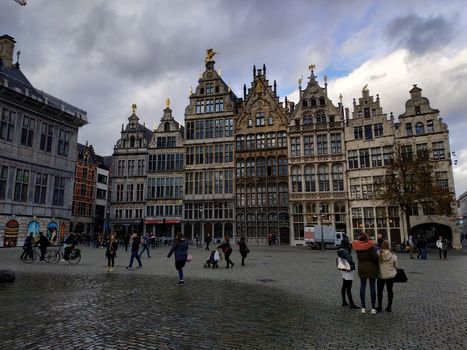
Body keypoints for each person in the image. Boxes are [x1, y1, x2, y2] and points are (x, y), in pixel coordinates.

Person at [352, 233, 379, 314]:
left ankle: (363, 307)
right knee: (372, 287)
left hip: (361, 267)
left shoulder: (357, 247)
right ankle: (373, 308)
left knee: (362, 287)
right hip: (371, 267)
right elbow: (375, 258)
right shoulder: (371, 246)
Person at [376, 240, 398, 313]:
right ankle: (389, 306)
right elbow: (396, 266)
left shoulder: (378, 254)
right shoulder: (393, 255)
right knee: (390, 290)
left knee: (380, 291)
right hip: (391, 275)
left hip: (381, 275)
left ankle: (379, 306)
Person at [337, 238, 358, 309]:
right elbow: (349, 259)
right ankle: (351, 303)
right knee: (348, 287)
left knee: (344, 285)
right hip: (348, 269)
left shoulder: (340, 250)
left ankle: (344, 301)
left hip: (344, 269)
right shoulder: (344, 251)